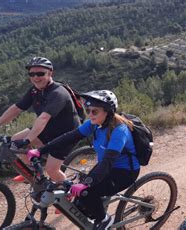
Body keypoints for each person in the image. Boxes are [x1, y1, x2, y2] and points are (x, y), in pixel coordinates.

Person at [26, 90, 140, 230]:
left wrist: (88, 183)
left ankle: (104, 220)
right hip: (105, 167)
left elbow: (108, 160)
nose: (90, 115)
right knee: (80, 201)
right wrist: (40, 150)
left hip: (124, 172)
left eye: (94, 111)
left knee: (87, 192)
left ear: (108, 112)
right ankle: (97, 211)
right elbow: (69, 137)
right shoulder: (94, 124)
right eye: (88, 110)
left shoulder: (119, 130)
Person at [0, 57, 80, 182]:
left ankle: (68, 193)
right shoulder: (35, 90)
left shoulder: (58, 93)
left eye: (40, 73)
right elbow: (17, 108)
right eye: (32, 74)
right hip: (48, 129)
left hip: (66, 135)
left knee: (52, 170)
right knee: (15, 142)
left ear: (50, 73)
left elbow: (43, 118)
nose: (35, 77)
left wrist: (28, 139)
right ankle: (34, 174)